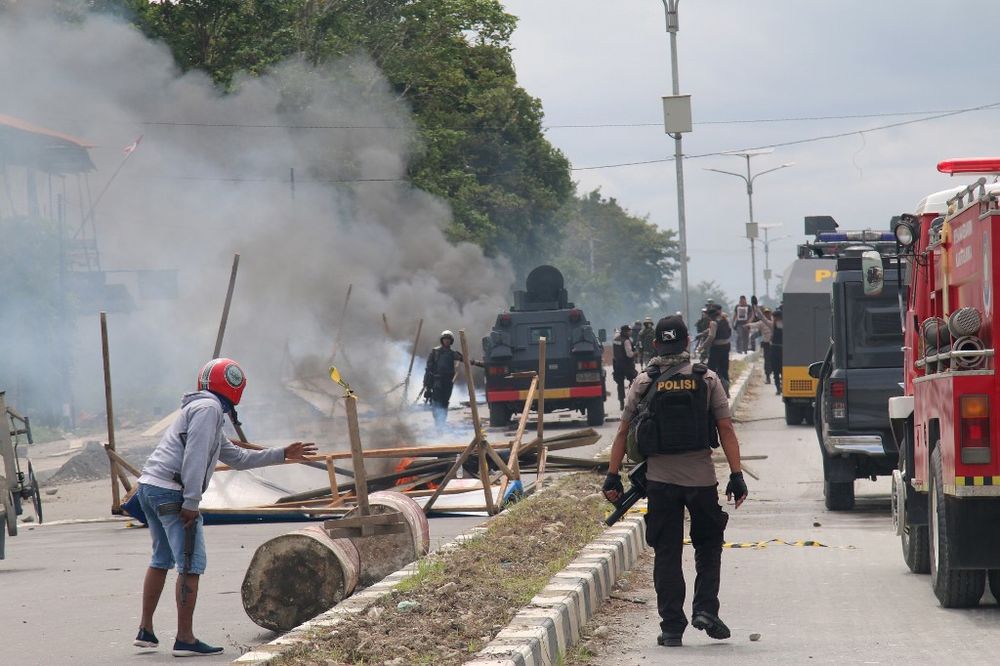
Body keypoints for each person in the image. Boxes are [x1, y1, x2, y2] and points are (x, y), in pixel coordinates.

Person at [133, 358, 317, 657]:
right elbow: (194, 456)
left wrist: (283, 454)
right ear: (234, 388)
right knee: (191, 563)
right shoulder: (208, 410)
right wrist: (192, 502)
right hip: (172, 492)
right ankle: (184, 638)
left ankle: (146, 630)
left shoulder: (200, 408)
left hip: (151, 487)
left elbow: (237, 458)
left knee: (161, 558)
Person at [603, 315, 748, 648]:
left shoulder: (642, 382)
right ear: (687, 344)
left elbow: (624, 433)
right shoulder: (708, 379)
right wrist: (737, 476)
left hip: (659, 482)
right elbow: (726, 430)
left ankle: (671, 627)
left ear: (655, 345)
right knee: (708, 546)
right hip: (701, 480)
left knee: (666, 552)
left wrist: (613, 476)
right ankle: (705, 610)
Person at [423, 330, 463, 427]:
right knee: (436, 402)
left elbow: (464, 359)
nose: (446, 341)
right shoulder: (435, 352)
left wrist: (475, 362)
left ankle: (442, 422)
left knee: (445, 402)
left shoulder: (453, 353)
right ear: (442, 340)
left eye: (448, 339)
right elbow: (428, 369)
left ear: (451, 341)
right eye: (445, 339)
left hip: (448, 382)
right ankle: (438, 423)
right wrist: (427, 385)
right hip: (437, 381)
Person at [701, 304, 731, 390]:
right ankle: (726, 389)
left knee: (711, 370)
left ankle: (712, 389)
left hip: (716, 348)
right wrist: (704, 333)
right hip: (726, 346)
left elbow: (711, 336)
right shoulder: (724, 319)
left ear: (711, 315)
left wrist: (702, 347)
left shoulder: (713, 322)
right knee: (724, 369)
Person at [612, 324, 638, 411]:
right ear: (625, 332)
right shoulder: (626, 341)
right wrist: (636, 353)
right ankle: (631, 400)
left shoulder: (616, 339)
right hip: (627, 365)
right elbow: (629, 354)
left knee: (620, 384)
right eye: (629, 331)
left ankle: (621, 403)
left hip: (617, 365)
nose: (630, 332)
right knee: (634, 380)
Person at [748, 306, 774, 384]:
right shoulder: (762, 323)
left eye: (768, 313)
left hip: (775, 345)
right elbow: (753, 325)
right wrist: (747, 325)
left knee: (774, 361)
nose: (767, 315)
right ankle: (768, 377)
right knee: (767, 361)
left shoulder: (774, 322)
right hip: (766, 344)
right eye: (765, 313)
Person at [770, 308, 784, 394]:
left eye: (777, 317)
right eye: (775, 317)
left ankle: (782, 387)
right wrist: (755, 308)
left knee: (783, 371)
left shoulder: (786, 326)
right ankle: (778, 388)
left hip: (782, 350)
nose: (776, 319)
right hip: (774, 349)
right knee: (775, 371)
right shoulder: (771, 326)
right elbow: (762, 319)